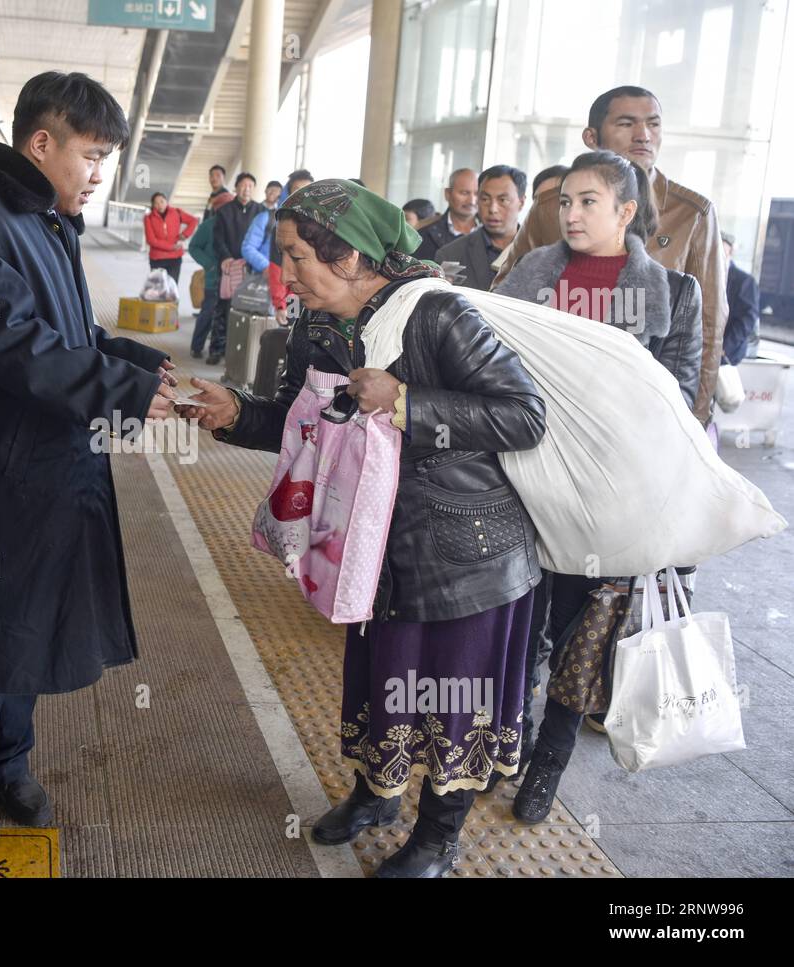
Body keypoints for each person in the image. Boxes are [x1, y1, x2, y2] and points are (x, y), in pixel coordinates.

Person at [178, 179, 547, 877]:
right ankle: (377, 795)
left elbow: (523, 414)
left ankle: (437, 838)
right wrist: (234, 413)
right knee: (383, 677)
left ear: (347, 257)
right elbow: (298, 419)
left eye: (295, 256)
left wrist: (408, 400)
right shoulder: (319, 326)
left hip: (465, 550)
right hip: (372, 542)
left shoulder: (436, 315)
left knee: (451, 694)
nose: (286, 271)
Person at [0, 71, 178, 878]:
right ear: (42, 143)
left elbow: (73, 334)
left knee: (23, 639)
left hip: (51, 469)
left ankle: (8, 768)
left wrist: (144, 370)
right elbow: (14, 347)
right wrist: (123, 391)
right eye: (92, 155)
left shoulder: (47, 220)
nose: (99, 173)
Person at [494, 150, 702, 820]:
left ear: (626, 210)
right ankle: (510, 738)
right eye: (566, 202)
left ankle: (549, 758)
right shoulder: (531, 274)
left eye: (589, 201)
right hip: (525, 479)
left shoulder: (671, 292)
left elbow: (679, 399)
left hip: (607, 493)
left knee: (581, 627)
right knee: (519, 623)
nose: (573, 213)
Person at [494, 85, 726, 427]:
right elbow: (503, 302)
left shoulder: (692, 213)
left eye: (654, 124)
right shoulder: (549, 207)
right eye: (626, 123)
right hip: (542, 407)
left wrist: (693, 424)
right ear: (592, 136)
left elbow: (709, 322)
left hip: (639, 416)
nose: (643, 135)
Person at [435, 165, 527, 290]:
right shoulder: (451, 255)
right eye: (485, 199)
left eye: (503, 200)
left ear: (521, 203)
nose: (493, 209)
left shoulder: (540, 253)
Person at [206, 172, 265, 364]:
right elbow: (218, 238)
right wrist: (226, 257)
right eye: (242, 185)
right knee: (223, 308)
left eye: (250, 186)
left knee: (249, 308)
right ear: (236, 188)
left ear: (253, 189)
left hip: (253, 270)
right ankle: (217, 350)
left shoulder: (261, 211)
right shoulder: (224, 211)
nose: (246, 189)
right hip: (230, 267)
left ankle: (243, 353)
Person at [268, 169, 315, 324]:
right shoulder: (281, 230)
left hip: (320, 299)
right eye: (297, 191)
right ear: (289, 196)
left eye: (307, 191)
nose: (303, 196)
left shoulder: (325, 228)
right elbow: (277, 269)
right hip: (293, 297)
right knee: (293, 331)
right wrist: (280, 305)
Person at [413, 168, 478, 260]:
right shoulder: (424, 235)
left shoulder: (491, 233)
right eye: (464, 193)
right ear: (447, 194)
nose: (472, 201)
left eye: (477, 194)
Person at [187, 212, 223, 359]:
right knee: (207, 313)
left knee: (226, 318)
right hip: (213, 279)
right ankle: (197, 346)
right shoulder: (208, 225)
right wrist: (210, 264)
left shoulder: (238, 223)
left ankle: (220, 350)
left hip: (234, 280)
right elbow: (193, 246)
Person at [721, 231, 760, 364]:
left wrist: (726, 346)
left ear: (731, 250)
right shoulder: (704, 274)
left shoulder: (745, 281)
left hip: (728, 353)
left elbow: (748, 318)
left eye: (722, 247)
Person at [143, 191, 198, 284]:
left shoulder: (177, 212)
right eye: (156, 203)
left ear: (166, 201)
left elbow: (193, 220)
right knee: (158, 290)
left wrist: (185, 234)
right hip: (157, 259)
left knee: (172, 289)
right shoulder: (148, 218)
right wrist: (171, 247)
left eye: (161, 201)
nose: (159, 205)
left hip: (175, 258)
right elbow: (151, 240)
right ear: (153, 205)